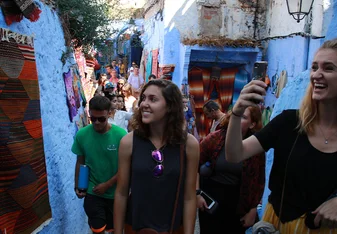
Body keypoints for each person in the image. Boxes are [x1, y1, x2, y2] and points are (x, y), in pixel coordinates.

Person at [225, 38, 337, 233]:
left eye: (328, 68)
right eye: (314, 67)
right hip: (278, 226)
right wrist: (237, 111)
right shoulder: (289, 122)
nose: (317, 75)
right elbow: (235, 154)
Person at [114, 79, 199, 234]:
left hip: (173, 229)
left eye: (153, 99)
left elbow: (189, 197)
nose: (144, 104)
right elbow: (121, 192)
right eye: (143, 98)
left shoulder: (189, 145)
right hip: (135, 228)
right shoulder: (128, 142)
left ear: (170, 107)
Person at [197, 106, 265, 234]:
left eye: (243, 117)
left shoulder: (255, 146)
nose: (238, 119)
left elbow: (259, 180)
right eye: (236, 115)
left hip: (237, 203)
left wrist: (253, 209)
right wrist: (197, 194)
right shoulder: (215, 138)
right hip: (211, 199)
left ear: (252, 124)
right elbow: (194, 164)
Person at [72, 96, 127, 234]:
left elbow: (126, 167)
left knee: (114, 228)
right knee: (97, 228)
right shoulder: (82, 135)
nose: (96, 122)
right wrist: (77, 186)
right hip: (93, 191)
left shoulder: (121, 136)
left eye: (101, 119)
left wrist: (107, 184)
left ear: (109, 114)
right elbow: (80, 161)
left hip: (115, 193)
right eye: (93, 118)